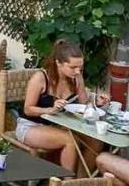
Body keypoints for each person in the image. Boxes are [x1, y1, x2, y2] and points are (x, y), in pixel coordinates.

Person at [14, 38, 108, 171]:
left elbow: (84, 105)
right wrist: (50, 109)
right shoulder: (40, 78)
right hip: (30, 127)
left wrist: (96, 103)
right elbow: (28, 109)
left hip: (60, 125)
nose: (77, 71)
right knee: (70, 140)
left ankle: (81, 182)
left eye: (80, 67)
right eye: (73, 67)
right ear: (59, 63)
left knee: (96, 141)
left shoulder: (76, 78)